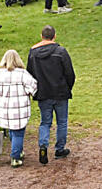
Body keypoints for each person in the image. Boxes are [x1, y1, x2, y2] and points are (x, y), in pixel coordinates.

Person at [25, 27, 75, 164]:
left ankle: (43, 146)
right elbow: (70, 73)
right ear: (55, 36)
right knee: (62, 122)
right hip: (60, 93)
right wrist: (67, 88)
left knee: (45, 122)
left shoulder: (33, 53)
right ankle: (59, 149)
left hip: (43, 93)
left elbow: (29, 74)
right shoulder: (61, 52)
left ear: (41, 36)